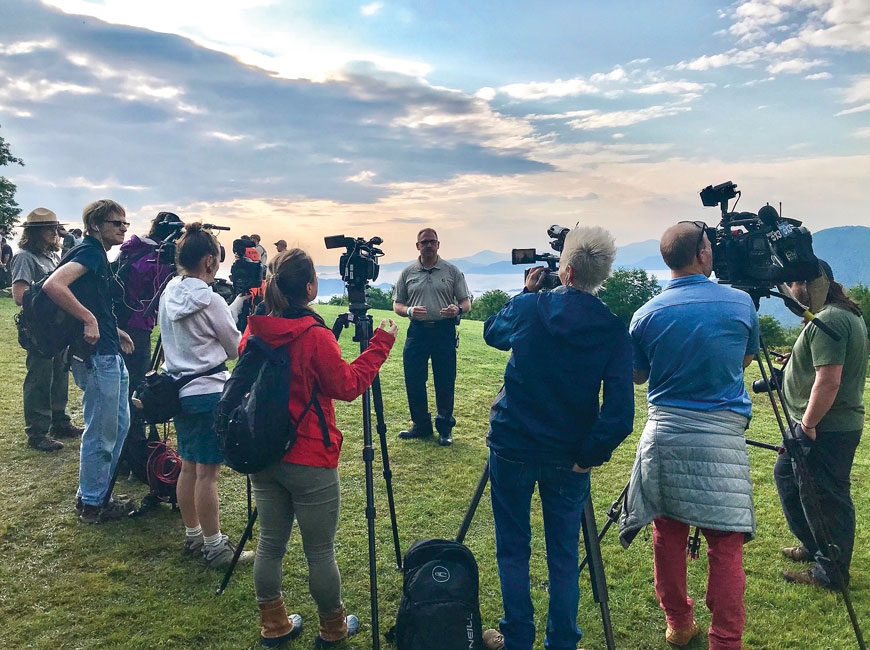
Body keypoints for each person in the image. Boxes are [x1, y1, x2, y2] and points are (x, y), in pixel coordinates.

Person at [481, 226, 634, 650]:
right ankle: (562, 640)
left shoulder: (530, 307)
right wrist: (587, 456)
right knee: (564, 556)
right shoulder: (611, 328)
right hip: (568, 455)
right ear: (601, 275)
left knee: (512, 548)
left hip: (512, 444)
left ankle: (516, 636)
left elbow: (492, 332)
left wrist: (525, 292)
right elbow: (620, 414)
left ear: (564, 271)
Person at [243, 249, 397, 648]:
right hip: (310, 455)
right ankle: (333, 628)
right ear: (310, 287)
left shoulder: (254, 328)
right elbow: (346, 386)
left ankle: (273, 624)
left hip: (264, 451)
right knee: (319, 551)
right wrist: (379, 345)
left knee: (270, 544)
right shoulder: (315, 335)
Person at [619, 221, 759, 650]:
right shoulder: (740, 303)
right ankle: (726, 640)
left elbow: (638, 376)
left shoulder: (645, 314)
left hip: (665, 436)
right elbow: (748, 359)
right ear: (703, 254)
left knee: (668, 532)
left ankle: (678, 623)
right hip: (721, 439)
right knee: (726, 543)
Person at [158, 222, 251, 567]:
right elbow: (233, 347)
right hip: (209, 391)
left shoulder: (169, 292)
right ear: (210, 261)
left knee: (188, 467)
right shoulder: (210, 300)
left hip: (178, 390)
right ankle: (215, 546)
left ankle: (194, 535)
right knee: (207, 473)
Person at [775, 260, 868, 590]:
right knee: (788, 477)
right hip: (827, 424)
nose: (791, 292)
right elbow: (823, 367)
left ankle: (831, 572)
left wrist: (809, 425)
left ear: (807, 283)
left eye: (794, 284)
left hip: (826, 427)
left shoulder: (829, 319)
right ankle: (816, 547)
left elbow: (829, 381)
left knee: (826, 497)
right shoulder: (842, 314)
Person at [43, 199, 136, 523]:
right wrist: (88, 320)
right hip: (98, 358)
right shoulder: (90, 252)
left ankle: (100, 492)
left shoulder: (97, 254)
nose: (123, 228)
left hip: (108, 352)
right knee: (102, 431)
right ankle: (93, 503)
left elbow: (91, 299)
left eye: (125, 223)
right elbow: (53, 284)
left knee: (119, 426)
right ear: (95, 225)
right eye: (116, 223)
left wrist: (114, 328)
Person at [11, 208, 83, 451]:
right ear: (35, 232)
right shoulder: (25, 257)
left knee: (59, 375)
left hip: (57, 327)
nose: (55, 233)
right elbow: (20, 296)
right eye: (49, 229)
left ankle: (59, 421)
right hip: (40, 328)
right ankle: (37, 432)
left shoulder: (51, 256)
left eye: (56, 228)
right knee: (40, 379)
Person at [392, 228, 471, 446]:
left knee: (445, 380)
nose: (428, 245)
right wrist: (408, 311)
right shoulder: (408, 273)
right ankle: (421, 426)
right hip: (417, 332)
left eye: (432, 242)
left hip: (444, 331)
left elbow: (466, 302)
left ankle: (445, 428)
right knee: (414, 379)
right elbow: (397, 304)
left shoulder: (452, 271)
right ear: (417, 246)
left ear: (438, 244)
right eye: (424, 242)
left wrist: (458, 310)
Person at [114, 211, 182, 445]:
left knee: (126, 382)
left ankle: (130, 437)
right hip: (137, 324)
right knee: (137, 383)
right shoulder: (156, 258)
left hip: (122, 320)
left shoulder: (135, 248)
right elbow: (157, 288)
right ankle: (134, 443)